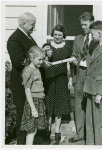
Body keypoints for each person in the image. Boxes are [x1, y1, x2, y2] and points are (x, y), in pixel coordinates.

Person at [7, 12, 51, 144]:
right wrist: (39, 61)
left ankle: (30, 143)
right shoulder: (14, 39)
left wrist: (42, 53)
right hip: (22, 85)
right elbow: (19, 61)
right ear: (23, 23)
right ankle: (21, 144)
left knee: (31, 117)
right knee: (22, 117)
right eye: (32, 24)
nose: (34, 27)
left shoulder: (27, 36)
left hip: (32, 86)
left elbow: (31, 53)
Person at [42, 24, 73, 144]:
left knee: (59, 106)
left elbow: (70, 65)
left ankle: (57, 132)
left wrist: (70, 80)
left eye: (59, 35)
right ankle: (47, 130)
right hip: (49, 78)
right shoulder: (47, 46)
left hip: (62, 79)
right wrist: (45, 56)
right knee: (49, 105)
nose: (57, 37)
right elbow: (40, 60)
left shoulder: (68, 48)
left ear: (63, 36)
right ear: (52, 35)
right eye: (55, 35)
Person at [69, 12, 96, 143]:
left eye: (85, 24)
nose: (83, 27)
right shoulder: (78, 38)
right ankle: (79, 133)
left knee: (90, 103)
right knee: (79, 103)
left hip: (92, 74)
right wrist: (74, 60)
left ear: (92, 22)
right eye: (82, 25)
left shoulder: (98, 38)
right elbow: (74, 54)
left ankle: (90, 133)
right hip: (79, 72)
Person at [20, 46, 47, 145]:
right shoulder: (28, 71)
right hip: (33, 102)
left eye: (42, 59)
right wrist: (33, 109)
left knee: (34, 129)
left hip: (38, 100)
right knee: (31, 130)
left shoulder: (36, 68)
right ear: (31, 58)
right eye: (39, 59)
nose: (41, 62)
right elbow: (27, 90)